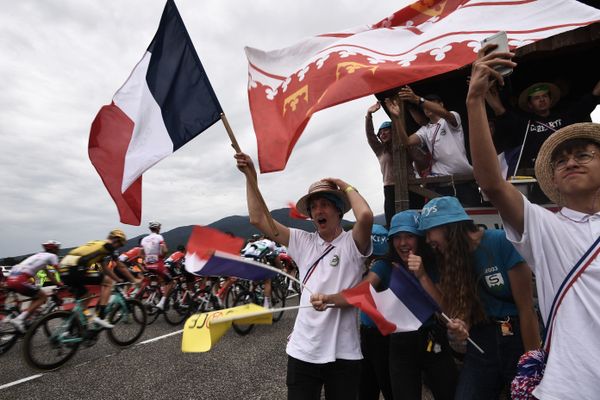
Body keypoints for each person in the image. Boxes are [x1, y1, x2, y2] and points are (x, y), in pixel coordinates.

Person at [466, 45, 600, 399]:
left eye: (583, 154)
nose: (571, 162)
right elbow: (492, 184)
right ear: (552, 181)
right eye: (561, 161)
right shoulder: (547, 226)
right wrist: (475, 101)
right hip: (567, 390)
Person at [234, 151, 373, 400]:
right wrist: (250, 177)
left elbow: (365, 216)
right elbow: (258, 219)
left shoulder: (353, 243)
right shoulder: (302, 240)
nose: (318, 210)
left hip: (344, 354)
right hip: (303, 352)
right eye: (314, 206)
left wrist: (345, 185)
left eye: (325, 204)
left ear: (339, 209)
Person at [311, 212, 458, 400]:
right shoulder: (385, 265)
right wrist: (328, 299)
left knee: (449, 393)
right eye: (397, 237)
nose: (403, 243)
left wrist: (422, 275)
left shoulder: (433, 263)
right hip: (400, 344)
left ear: (420, 238)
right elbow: (360, 292)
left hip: (433, 339)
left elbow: (445, 310)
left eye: (409, 236)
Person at [418, 196, 540, 399]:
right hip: (482, 338)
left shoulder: (501, 241)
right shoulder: (451, 260)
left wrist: (533, 365)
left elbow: (526, 309)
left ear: (449, 226)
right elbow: (462, 309)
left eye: (430, 231)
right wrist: (461, 326)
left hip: (517, 335)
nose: (428, 239)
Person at [485, 73, 600, 173]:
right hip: (536, 171)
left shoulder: (565, 116)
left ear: (550, 100)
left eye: (545, 96)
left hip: (566, 165)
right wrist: (485, 92)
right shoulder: (525, 123)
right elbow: (500, 111)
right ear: (530, 104)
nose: (542, 100)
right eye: (536, 98)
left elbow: (591, 99)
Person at [388, 87, 480, 205]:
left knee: (471, 218)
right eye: (424, 106)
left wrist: (418, 100)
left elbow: (446, 114)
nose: (426, 107)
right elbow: (407, 142)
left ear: (441, 104)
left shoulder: (451, 117)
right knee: (447, 220)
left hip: (465, 181)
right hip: (441, 184)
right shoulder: (425, 129)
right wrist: (396, 118)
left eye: (431, 103)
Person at [365, 102, 427, 225]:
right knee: (393, 223)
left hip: (411, 185)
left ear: (394, 132)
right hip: (390, 188)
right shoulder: (380, 150)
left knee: (418, 221)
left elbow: (422, 160)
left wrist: (409, 147)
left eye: (386, 131)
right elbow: (370, 135)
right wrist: (369, 115)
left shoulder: (405, 146)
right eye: (381, 132)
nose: (382, 134)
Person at [59, 229, 130, 328]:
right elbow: (121, 266)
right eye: (120, 244)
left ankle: (74, 325)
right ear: (115, 240)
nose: (119, 247)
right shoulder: (108, 246)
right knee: (108, 282)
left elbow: (105, 269)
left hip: (63, 268)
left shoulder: (98, 245)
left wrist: (118, 280)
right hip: (74, 267)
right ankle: (100, 316)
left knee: (86, 296)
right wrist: (134, 280)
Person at [6, 240, 63, 332]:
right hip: (20, 279)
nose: (59, 250)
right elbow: (60, 271)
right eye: (58, 248)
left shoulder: (39, 256)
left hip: (11, 278)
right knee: (43, 296)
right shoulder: (52, 256)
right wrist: (66, 282)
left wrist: (58, 283)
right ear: (55, 249)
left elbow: (49, 274)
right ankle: (19, 319)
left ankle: (24, 319)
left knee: (36, 295)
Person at [141, 221, 172, 311]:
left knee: (159, 280)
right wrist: (162, 256)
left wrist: (147, 259)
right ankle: (162, 302)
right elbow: (165, 250)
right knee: (171, 282)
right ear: (158, 228)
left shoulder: (144, 239)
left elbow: (140, 253)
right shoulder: (159, 237)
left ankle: (152, 297)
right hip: (158, 264)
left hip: (148, 265)